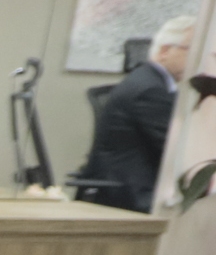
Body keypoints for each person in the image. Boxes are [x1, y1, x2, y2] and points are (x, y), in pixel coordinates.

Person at [72, 15, 195, 212]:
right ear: (165, 50)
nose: (199, 59)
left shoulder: (148, 81)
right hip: (131, 196)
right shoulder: (150, 90)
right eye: (193, 50)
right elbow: (178, 149)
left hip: (129, 189)